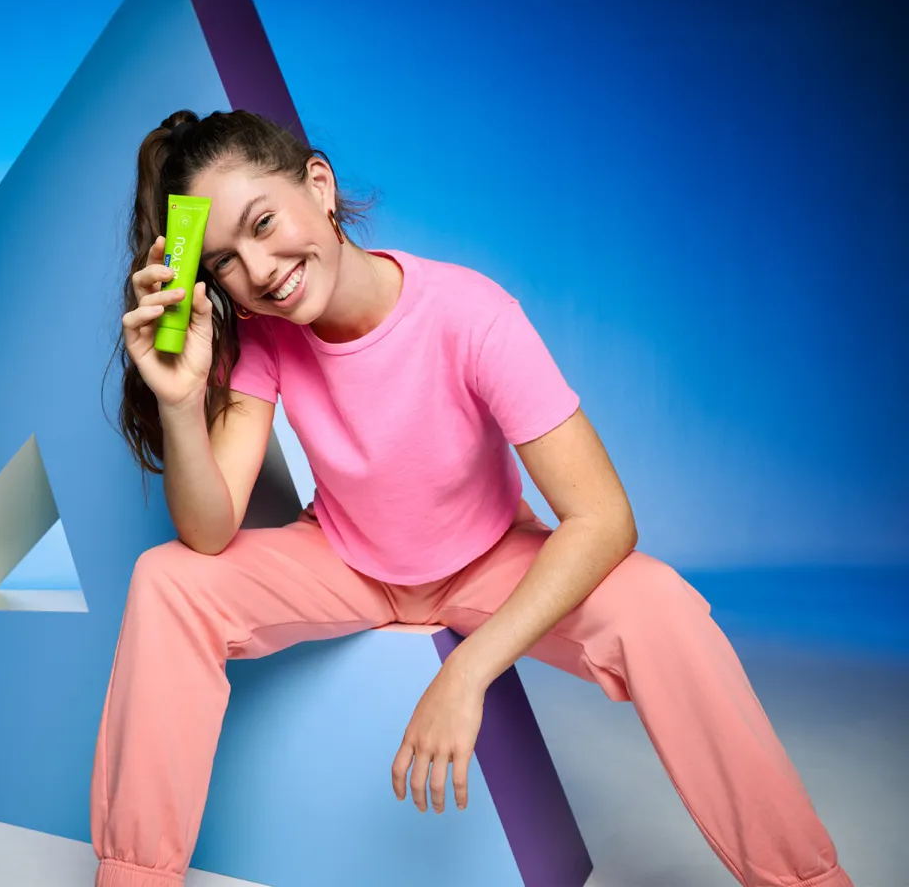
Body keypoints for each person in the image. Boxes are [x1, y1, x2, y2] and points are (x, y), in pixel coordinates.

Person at [91, 108, 852, 887]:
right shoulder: (268, 340)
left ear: (318, 185)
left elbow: (604, 518)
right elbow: (208, 533)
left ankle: (804, 880)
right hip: (347, 562)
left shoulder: (472, 314)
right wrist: (181, 404)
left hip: (489, 562)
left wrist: (466, 672)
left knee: (661, 605)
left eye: (263, 223)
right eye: (224, 261)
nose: (259, 269)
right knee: (167, 578)